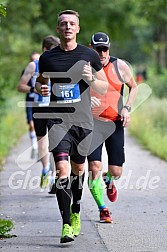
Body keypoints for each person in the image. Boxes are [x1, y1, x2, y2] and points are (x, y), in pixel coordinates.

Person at [35, 10, 108, 243]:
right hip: (57, 120)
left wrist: (91, 78)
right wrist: (41, 89)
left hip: (83, 122)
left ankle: (76, 209)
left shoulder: (89, 55)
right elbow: (40, 82)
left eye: (72, 24)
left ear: (77, 28)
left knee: (78, 170)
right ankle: (66, 224)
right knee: (62, 170)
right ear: (58, 29)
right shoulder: (47, 58)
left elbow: (105, 88)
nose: (67, 27)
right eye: (63, 24)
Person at [87, 32, 137, 223]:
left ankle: (109, 180)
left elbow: (134, 87)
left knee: (116, 171)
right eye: (97, 49)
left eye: (104, 49)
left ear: (109, 48)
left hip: (115, 122)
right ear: (90, 48)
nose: (101, 53)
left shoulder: (120, 66)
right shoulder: (85, 67)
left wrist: (126, 108)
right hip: (92, 123)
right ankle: (103, 209)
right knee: (94, 166)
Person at [18, 35, 60, 190]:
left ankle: (56, 178)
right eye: (50, 51)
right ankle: (45, 169)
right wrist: (35, 89)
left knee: (57, 144)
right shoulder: (33, 65)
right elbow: (21, 86)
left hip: (56, 107)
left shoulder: (59, 64)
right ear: (44, 50)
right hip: (39, 107)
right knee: (43, 143)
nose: (52, 54)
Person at [18, 52, 40, 159]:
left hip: (41, 101)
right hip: (30, 99)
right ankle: (34, 146)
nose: (34, 62)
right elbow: (21, 86)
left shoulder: (44, 69)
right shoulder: (27, 70)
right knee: (31, 124)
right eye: (32, 59)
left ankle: (42, 149)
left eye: (36, 59)